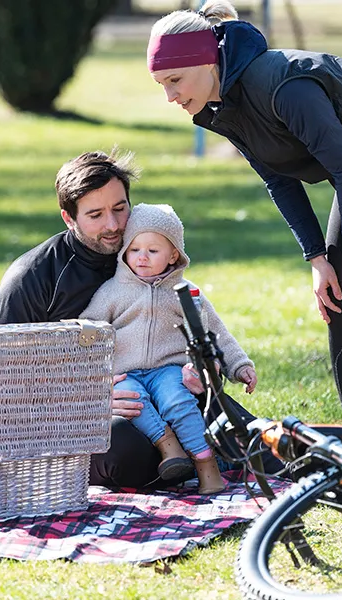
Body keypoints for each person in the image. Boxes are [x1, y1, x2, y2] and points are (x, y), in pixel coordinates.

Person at [146, 0, 342, 428]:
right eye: (162, 84)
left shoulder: (283, 86)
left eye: (175, 80)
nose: (170, 96)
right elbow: (278, 179)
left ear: (206, 61)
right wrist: (318, 259)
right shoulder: (221, 107)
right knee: (338, 301)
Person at [0, 149, 276, 488]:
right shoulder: (31, 278)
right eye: (95, 214)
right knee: (126, 453)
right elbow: (5, 382)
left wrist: (204, 369)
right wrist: (85, 396)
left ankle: (204, 458)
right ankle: (195, 461)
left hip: (170, 388)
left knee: (266, 450)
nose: (113, 226)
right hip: (75, 414)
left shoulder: (146, 251)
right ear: (68, 218)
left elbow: (191, 323)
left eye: (119, 208)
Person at [80, 203, 257, 493]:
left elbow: (216, 332)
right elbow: (89, 330)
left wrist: (239, 366)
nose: (142, 258)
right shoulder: (113, 291)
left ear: (173, 254)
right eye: (135, 250)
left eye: (153, 251)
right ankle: (169, 448)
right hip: (127, 372)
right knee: (134, 402)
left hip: (168, 370)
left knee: (179, 402)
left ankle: (206, 466)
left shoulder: (185, 294)